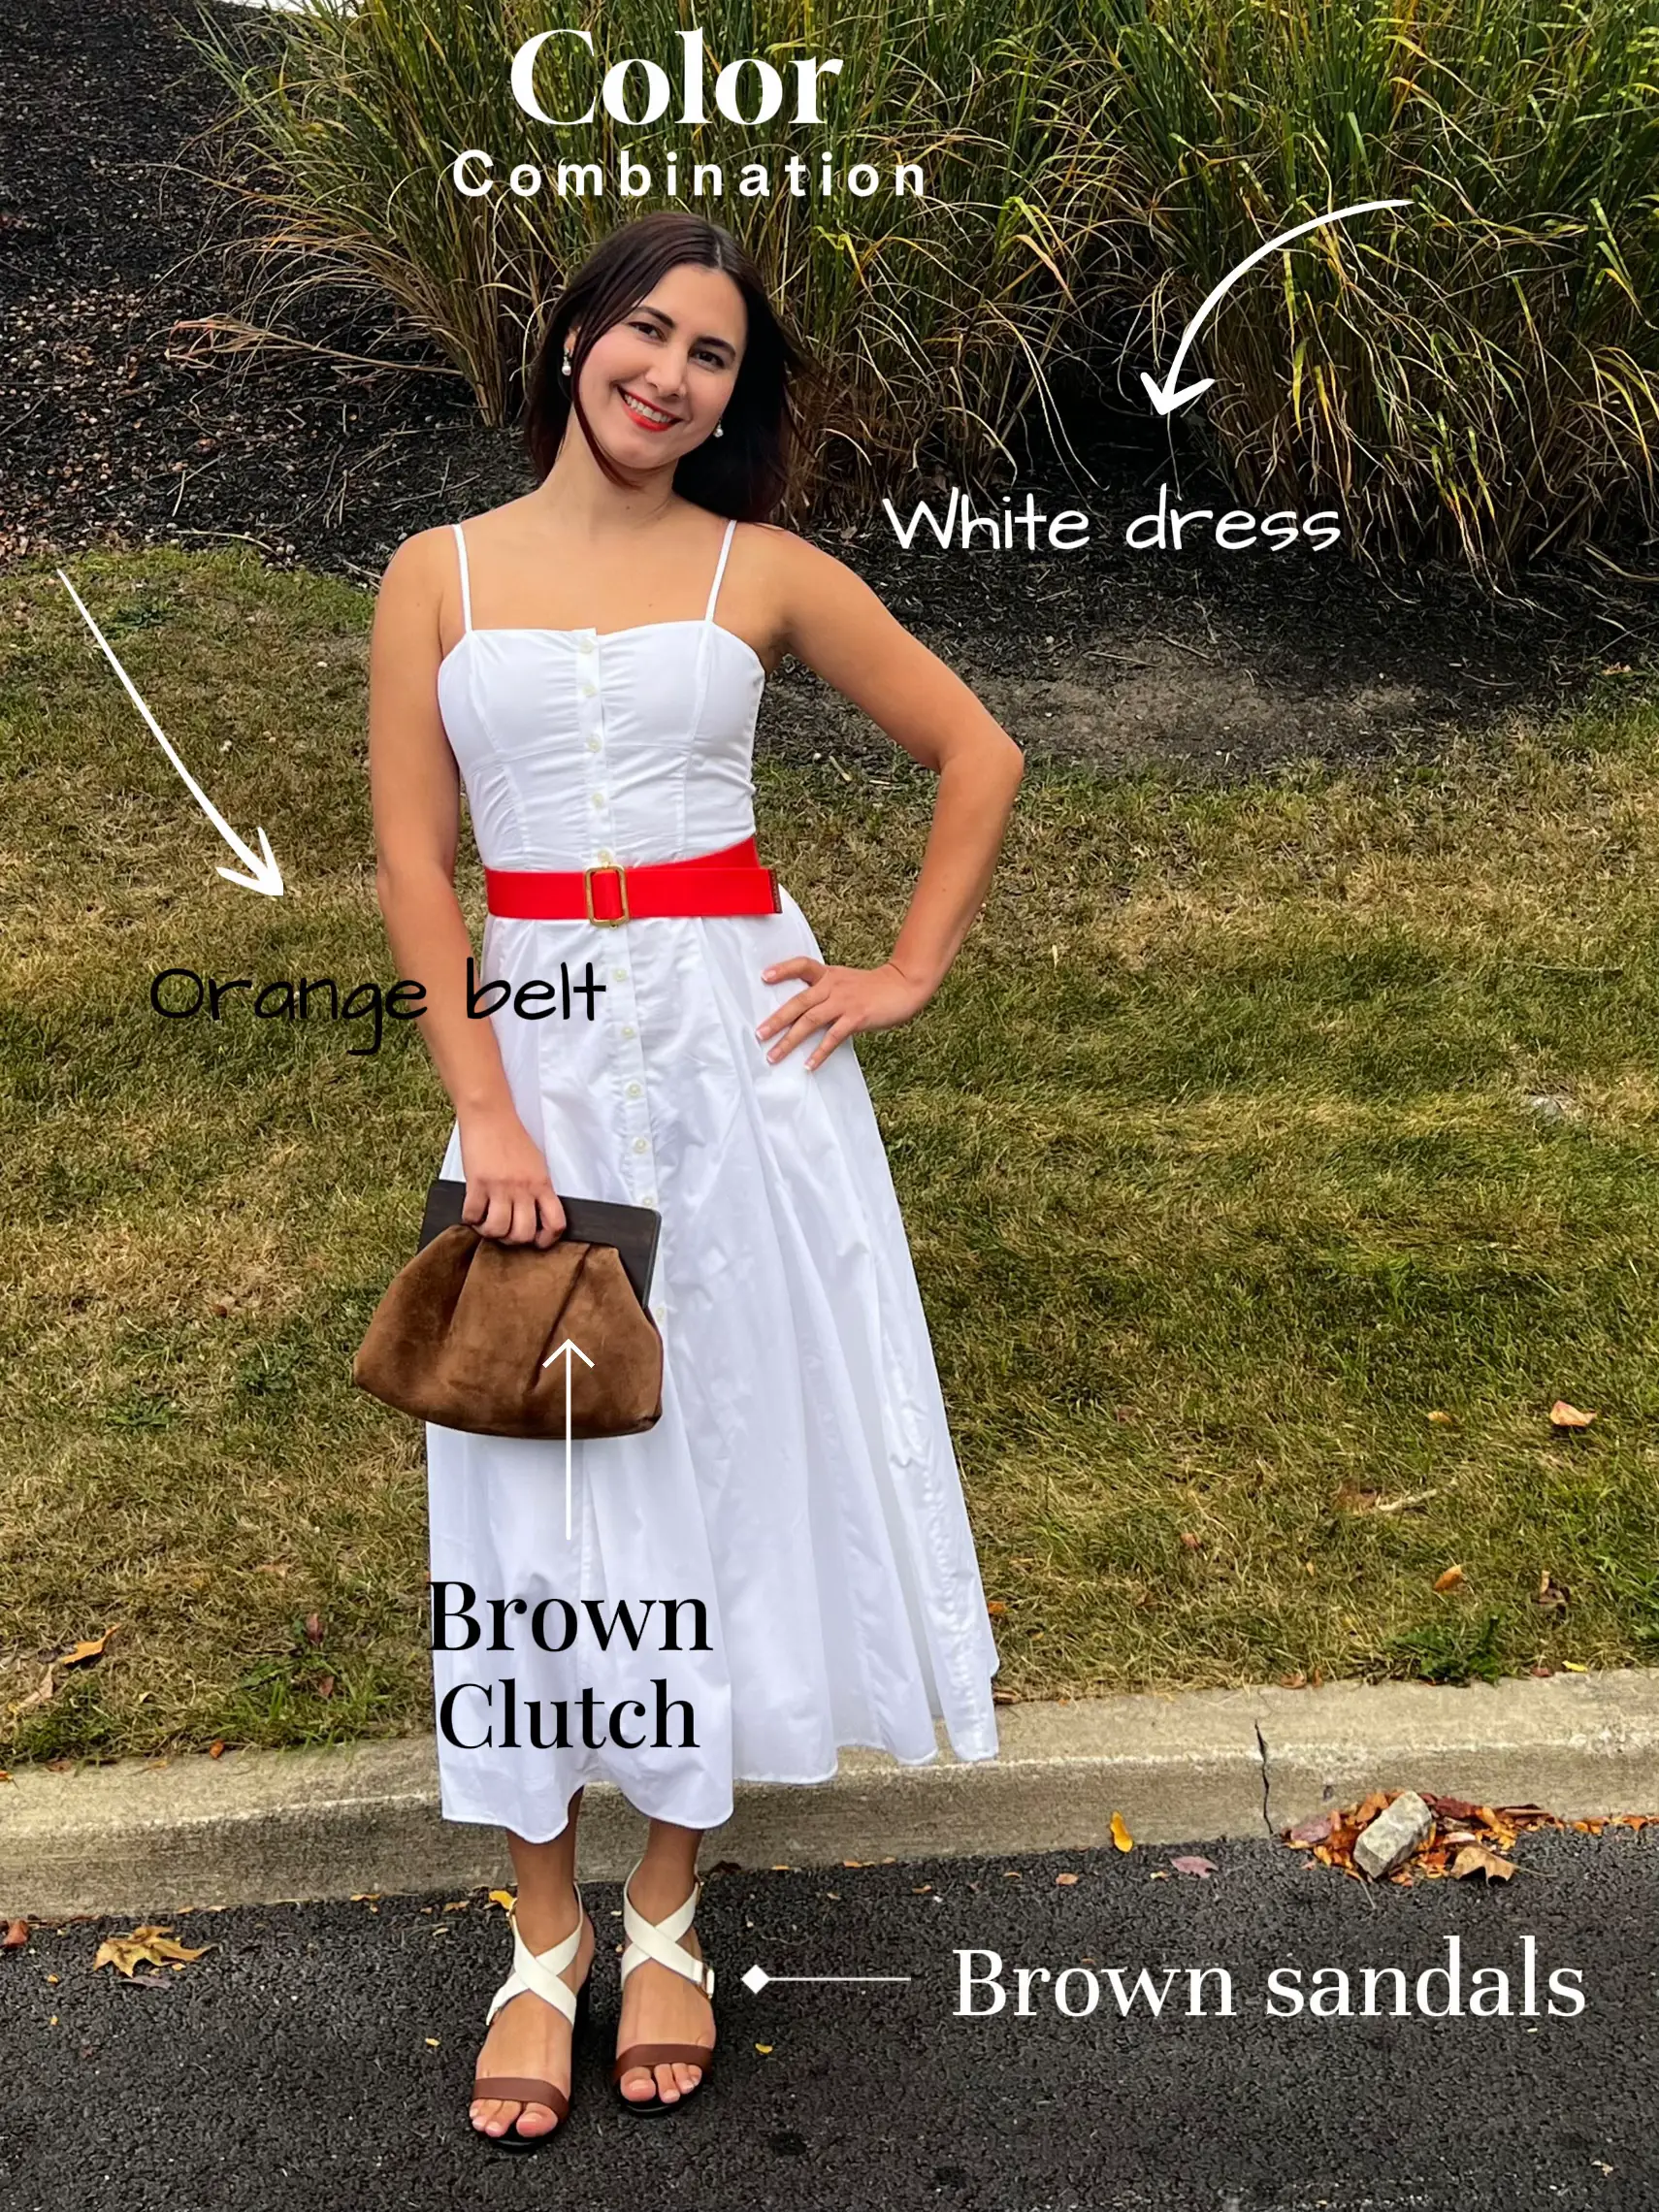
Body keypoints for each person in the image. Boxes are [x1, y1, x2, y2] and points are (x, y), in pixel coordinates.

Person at [368, 210, 1024, 2148]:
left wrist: (900, 971)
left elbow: (975, 751)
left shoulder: (765, 570)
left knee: (715, 1454)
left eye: (711, 354)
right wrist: (484, 1108)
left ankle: (668, 1898)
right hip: (541, 1063)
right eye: (641, 330)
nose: (667, 372)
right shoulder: (437, 576)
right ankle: (539, 1931)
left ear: (736, 394)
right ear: (573, 340)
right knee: (527, 1472)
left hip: (740, 1064)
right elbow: (419, 866)